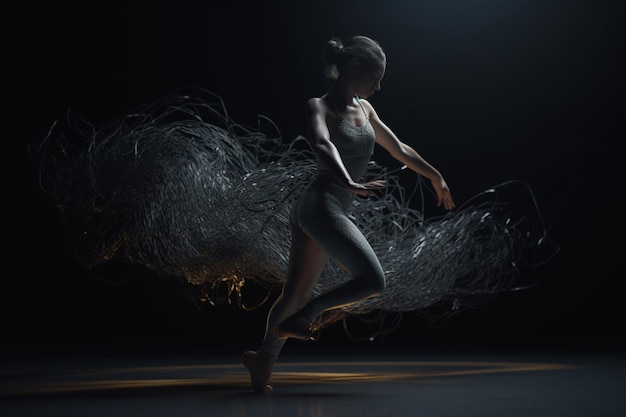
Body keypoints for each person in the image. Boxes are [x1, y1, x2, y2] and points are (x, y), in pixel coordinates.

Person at [241, 35, 456, 393]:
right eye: (377, 76)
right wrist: (347, 181)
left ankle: (262, 359)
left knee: (293, 296)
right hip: (319, 205)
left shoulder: (366, 109)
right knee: (374, 281)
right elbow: (322, 144)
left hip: (328, 208)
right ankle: (305, 318)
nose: (379, 85)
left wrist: (435, 175)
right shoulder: (319, 106)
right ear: (355, 67)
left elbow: (399, 147)